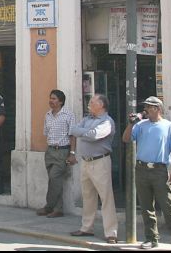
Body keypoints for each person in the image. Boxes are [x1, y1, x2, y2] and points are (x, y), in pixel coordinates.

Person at [122, 96, 171, 251]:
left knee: (168, 206)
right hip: (142, 169)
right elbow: (126, 139)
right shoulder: (140, 125)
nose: (146, 110)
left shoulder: (169, 126)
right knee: (146, 207)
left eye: (149, 107)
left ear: (157, 109)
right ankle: (151, 238)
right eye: (145, 107)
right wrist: (131, 124)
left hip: (160, 170)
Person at [69, 94, 118, 245]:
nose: (89, 103)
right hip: (85, 162)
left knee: (106, 197)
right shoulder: (87, 119)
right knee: (88, 196)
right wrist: (84, 132)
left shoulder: (107, 122)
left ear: (101, 105)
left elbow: (94, 135)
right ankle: (86, 228)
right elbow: (73, 129)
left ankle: (111, 232)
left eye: (92, 102)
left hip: (100, 162)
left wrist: (82, 132)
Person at [37, 89, 76, 219]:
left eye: (54, 99)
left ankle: (51, 206)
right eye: (50, 98)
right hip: (50, 150)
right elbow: (46, 133)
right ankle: (56, 208)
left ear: (61, 101)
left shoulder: (68, 115)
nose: (51, 101)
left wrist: (72, 153)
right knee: (54, 180)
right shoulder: (47, 115)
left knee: (55, 177)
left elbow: (72, 135)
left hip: (62, 151)